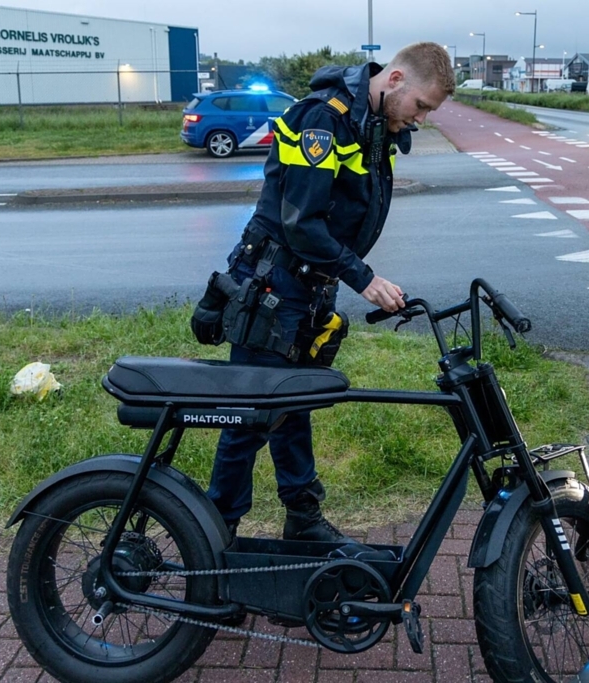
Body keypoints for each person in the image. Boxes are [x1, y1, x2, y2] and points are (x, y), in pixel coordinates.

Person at [204, 43, 455, 542]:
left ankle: (302, 519)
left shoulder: (373, 124)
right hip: (274, 286)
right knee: (251, 418)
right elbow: (302, 225)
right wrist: (364, 278)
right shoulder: (325, 119)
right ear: (397, 79)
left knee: (294, 405)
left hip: (309, 287)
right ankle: (213, 540)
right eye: (422, 106)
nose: (421, 118)